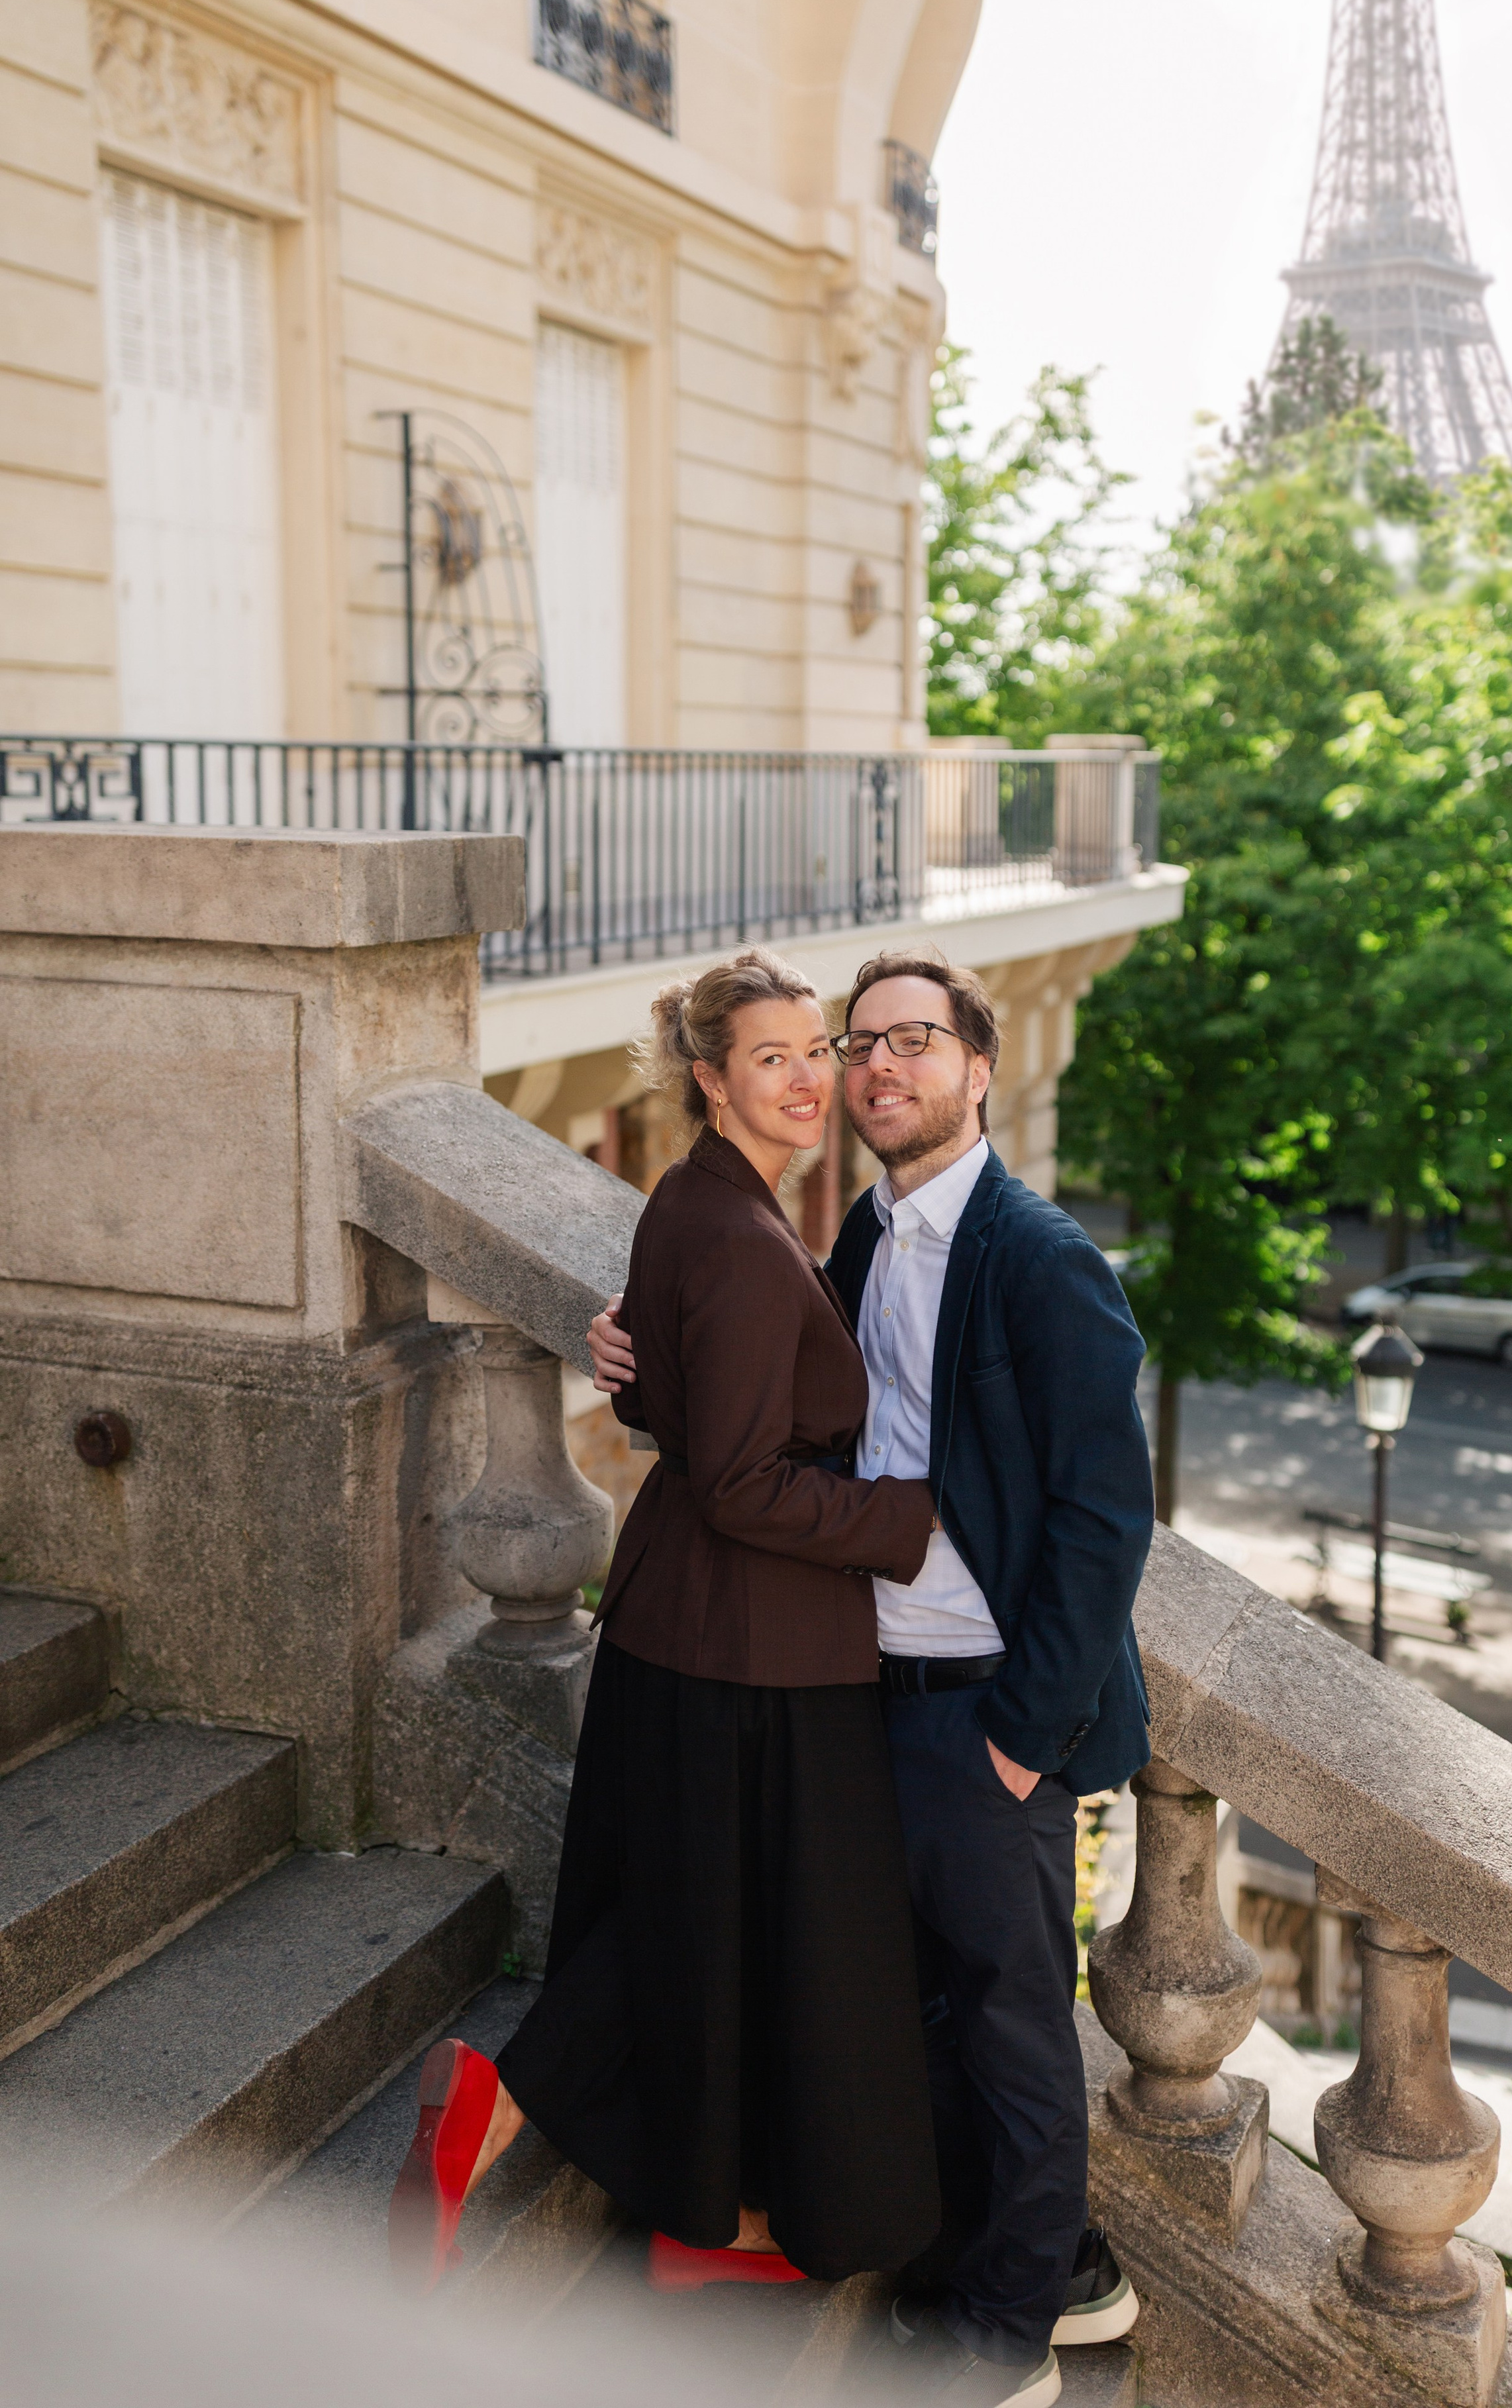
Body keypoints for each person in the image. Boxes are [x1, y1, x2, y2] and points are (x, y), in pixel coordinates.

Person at [591, 949, 1156, 2408]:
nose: (882, 1063)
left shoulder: (1039, 1254)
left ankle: (1007, 2335)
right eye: (865, 1041)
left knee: (1017, 2027)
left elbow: (1107, 1515)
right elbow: (766, 1395)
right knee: (908, 2018)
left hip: (984, 1708)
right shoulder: (854, 1228)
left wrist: (1027, 1735)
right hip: (859, 1694)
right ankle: (1004, 2263)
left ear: (980, 1064)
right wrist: (637, 1369)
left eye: (921, 1038)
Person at [387, 950, 942, 2296]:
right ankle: (510, 2108)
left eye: (816, 1050)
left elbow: (681, 1406)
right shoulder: (740, 1237)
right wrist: (915, 1521)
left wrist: (640, 1383)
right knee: (708, 1931)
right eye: (774, 1057)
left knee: (715, 1928)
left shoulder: (693, 1203)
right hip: (745, 1646)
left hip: (694, 1624)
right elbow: (749, 1478)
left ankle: (714, 2215)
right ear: (710, 1078)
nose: (811, 1077)